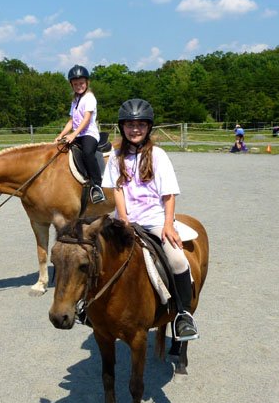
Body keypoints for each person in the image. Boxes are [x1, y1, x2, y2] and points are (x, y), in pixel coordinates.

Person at [101, 98, 199, 341]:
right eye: (131, 125)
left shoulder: (159, 155)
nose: (136, 129)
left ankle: (183, 315)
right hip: (125, 220)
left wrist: (168, 224)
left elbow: (168, 194)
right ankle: (87, 307)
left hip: (155, 220)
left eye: (141, 125)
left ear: (149, 128)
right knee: (92, 250)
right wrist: (122, 219)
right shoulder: (115, 157)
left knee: (177, 260)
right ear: (122, 127)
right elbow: (118, 189)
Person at [54, 64, 105, 204]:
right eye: (75, 84)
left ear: (87, 82)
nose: (79, 86)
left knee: (88, 153)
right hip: (77, 134)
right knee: (60, 150)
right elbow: (71, 121)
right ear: (71, 85)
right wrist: (61, 135)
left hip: (89, 134)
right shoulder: (75, 100)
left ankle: (96, 186)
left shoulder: (89, 98)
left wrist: (73, 135)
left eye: (81, 83)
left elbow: (86, 119)